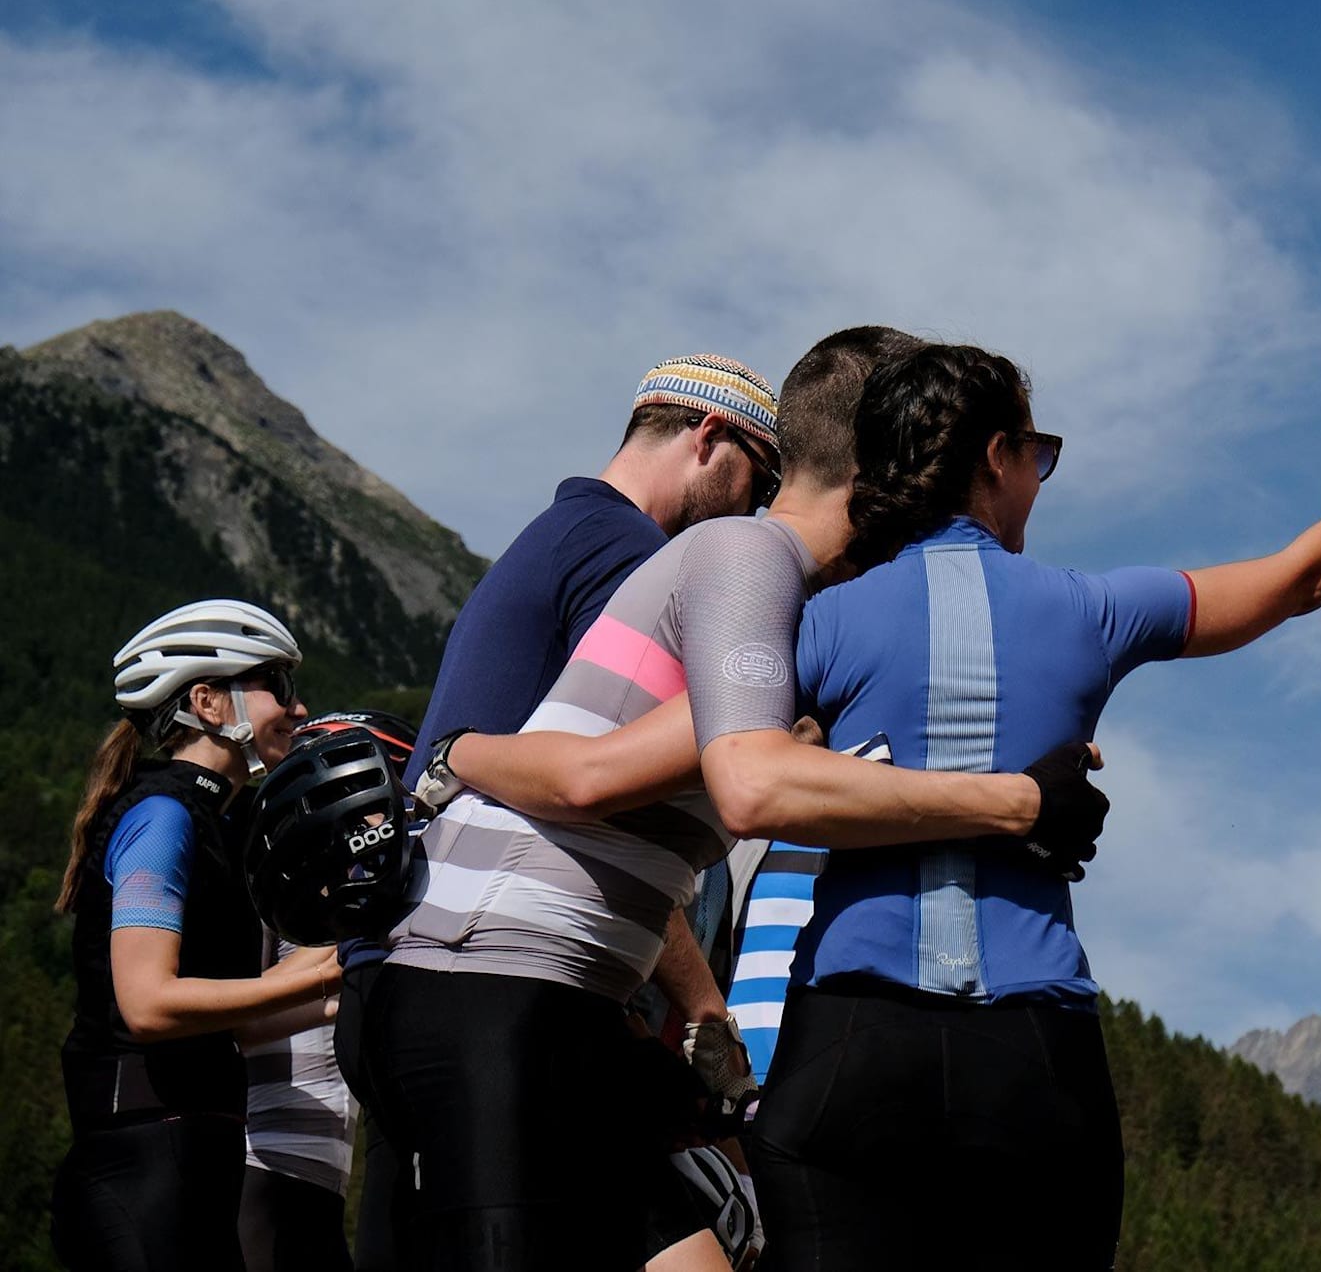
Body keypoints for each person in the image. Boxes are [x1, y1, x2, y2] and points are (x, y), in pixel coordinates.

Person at [370, 327, 1110, 1272]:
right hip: (492, 977)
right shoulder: (751, 561)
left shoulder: (787, 614)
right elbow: (613, 778)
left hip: (565, 998)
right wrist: (1017, 800)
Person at [741, 343, 1321, 1270]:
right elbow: (1301, 576)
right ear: (996, 456)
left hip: (846, 1038)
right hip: (1030, 1053)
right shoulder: (1092, 609)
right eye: (1037, 454)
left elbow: (707, 761)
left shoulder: (816, 620)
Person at [336, 353, 779, 1271]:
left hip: (413, 978)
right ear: (709, 439)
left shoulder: (562, 535)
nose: (756, 513)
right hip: (495, 982)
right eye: (760, 480)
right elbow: (602, 799)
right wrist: (705, 1008)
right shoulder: (630, 560)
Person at [50, 599, 341, 1272]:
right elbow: (149, 1005)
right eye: (278, 685)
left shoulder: (218, 822)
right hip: (143, 1164)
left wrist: (349, 978)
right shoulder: (163, 817)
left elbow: (233, 1023)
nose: (298, 708)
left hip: (189, 1159)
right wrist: (314, 974)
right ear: (208, 703)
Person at [237, 710, 417, 1272]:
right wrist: (346, 965)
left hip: (323, 1170)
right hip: (267, 1160)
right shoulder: (284, 886)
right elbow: (236, 1017)